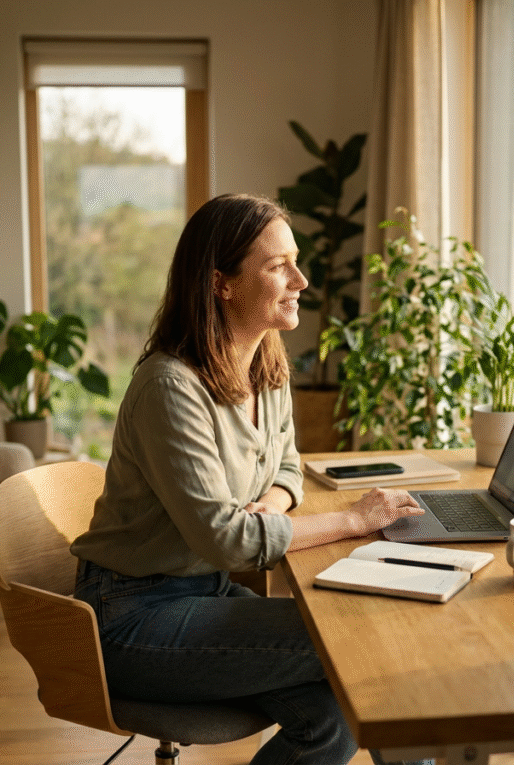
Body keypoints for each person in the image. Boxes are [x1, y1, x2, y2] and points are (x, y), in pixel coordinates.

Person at [71, 193, 431, 765]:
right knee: (360, 643)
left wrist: (273, 499)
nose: (302, 279)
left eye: (296, 260)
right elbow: (226, 540)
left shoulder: (265, 363)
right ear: (222, 285)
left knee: (330, 715)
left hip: (205, 594)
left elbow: (288, 463)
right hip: (131, 618)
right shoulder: (171, 387)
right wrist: (357, 519)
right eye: (277, 266)